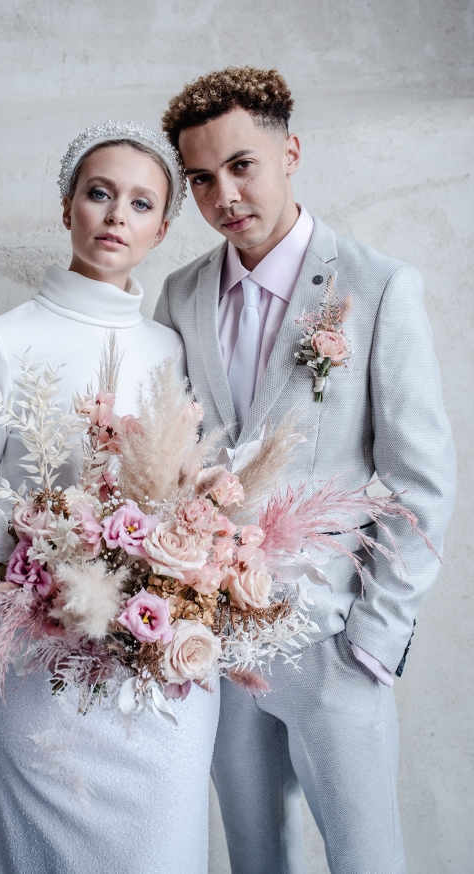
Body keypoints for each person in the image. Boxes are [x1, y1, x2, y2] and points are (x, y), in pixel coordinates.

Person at [155, 67, 456, 874]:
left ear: (289, 153)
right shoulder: (179, 295)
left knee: (366, 860)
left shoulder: (378, 285)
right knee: (255, 857)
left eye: (241, 165)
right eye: (201, 179)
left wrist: (374, 638)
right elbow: (174, 459)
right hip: (216, 646)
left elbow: (421, 479)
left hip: (332, 640)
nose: (224, 196)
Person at [0, 123, 219, 874]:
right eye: (99, 194)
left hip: (161, 669)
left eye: (141, 203)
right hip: (44, 674)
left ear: (162, 229)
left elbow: (182, 498)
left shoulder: (168, 349)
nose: (117, 215)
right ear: (67, 208)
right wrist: (43, 613)